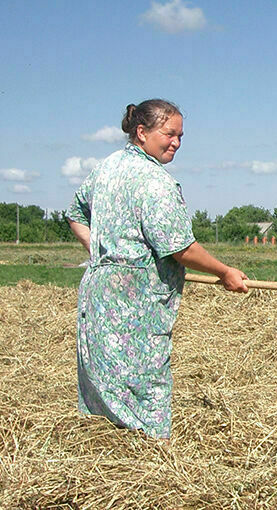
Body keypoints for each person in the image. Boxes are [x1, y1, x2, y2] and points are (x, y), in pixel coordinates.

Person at [66, 99, 249, 438]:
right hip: (135, 298)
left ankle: (106, 452)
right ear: (142, 132)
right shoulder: (155, 182)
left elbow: (76, 214)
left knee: (104, 377)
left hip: (98, 291)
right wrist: (224, 272)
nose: (176, 143)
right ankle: (148, 456)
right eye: (169, 134)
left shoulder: (106, 169)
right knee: (144, 379)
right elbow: (181, 248)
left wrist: (103, 253)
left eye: (181, 136)